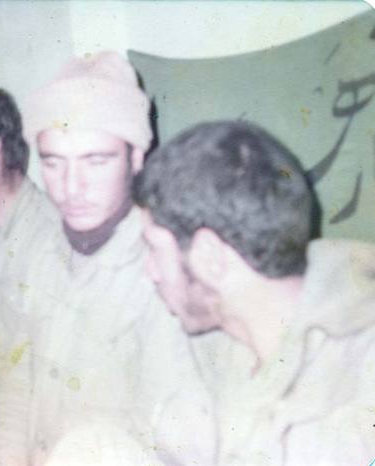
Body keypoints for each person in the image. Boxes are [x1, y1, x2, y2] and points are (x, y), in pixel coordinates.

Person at [0, 51, 202, 465]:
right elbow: (19, 382)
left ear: (137, 158)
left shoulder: (167, 271)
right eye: (53, 163)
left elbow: (175, 447)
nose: (71, 187)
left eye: (95, 161)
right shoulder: (43, 250)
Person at [133, 120, 375, 464]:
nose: (150, 272)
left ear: (210, 257)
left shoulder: (361, 379)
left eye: (155, 249)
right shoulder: (218, 349)